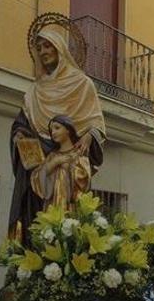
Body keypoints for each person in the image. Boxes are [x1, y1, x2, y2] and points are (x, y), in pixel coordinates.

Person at [8, 22, 106, 241]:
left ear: (59, 48)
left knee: (72, 222)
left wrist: (90, 135)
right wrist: (19, 136)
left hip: (71, 167)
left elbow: (96, 124)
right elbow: (22, 123)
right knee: (36, 223)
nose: (43, 52)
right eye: (39, 48)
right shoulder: (35, 90)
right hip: (38, 166)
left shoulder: (82, 84)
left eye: (47, 46)